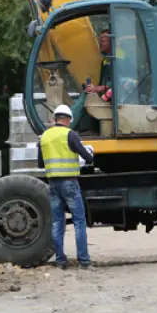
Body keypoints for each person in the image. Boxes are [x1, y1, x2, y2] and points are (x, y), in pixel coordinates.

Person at [37, 104, 96, 270]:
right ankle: (84, 261)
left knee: (57, 222)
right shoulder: (70, 135)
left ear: (55, 119)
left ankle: (61, 261)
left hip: (53, 184)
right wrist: (89, 152)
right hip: (70, 183)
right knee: (79, 221)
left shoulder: (44, 137)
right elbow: (88, 158)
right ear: (68, 119)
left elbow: (41, 164)